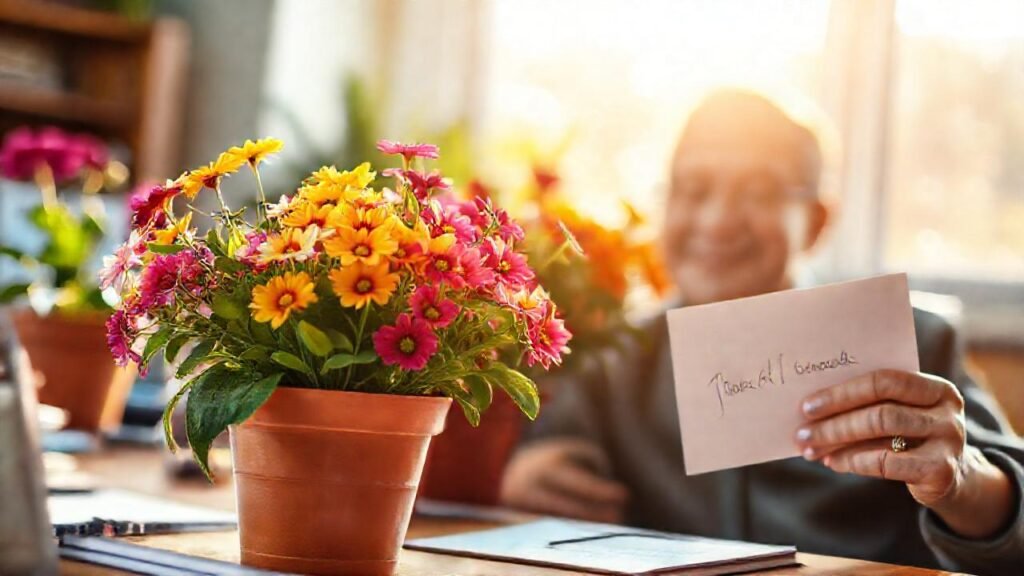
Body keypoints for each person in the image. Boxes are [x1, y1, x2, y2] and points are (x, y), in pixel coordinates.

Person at [499, 90, 1024, 575]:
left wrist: (963, 481)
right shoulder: (615, 357)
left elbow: (1008, 510)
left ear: (817, 221)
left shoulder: (908, 340)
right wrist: (526, 481)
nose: (718, 220)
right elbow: (537, 471)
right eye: (693, 189)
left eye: (758, 192)